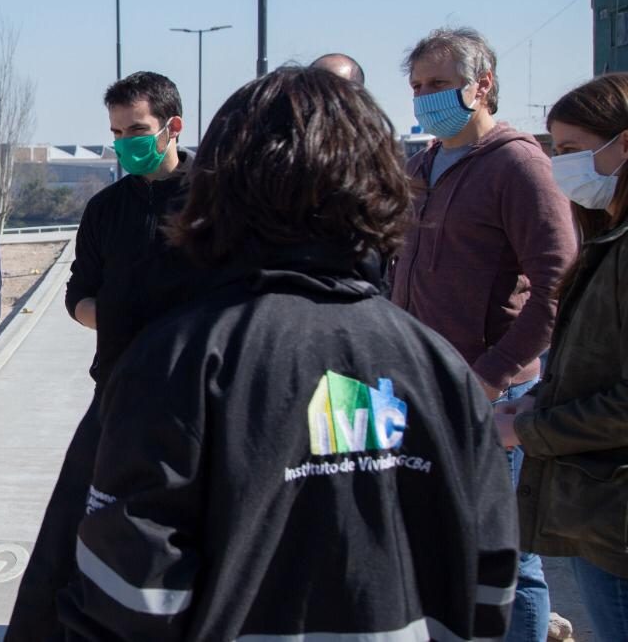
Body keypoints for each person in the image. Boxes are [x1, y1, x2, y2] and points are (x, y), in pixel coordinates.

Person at [57, 66, 519, 640]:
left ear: (225, 186)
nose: (126, 144)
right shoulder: (440, 370)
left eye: (135, 130)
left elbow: (129, 591)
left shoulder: (188, 368)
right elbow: (492, 574)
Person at [390, 27, 576, 642]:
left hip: (489, 395)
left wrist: (491, 374)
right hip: (421, 390)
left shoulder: (517, 163)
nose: (424, 98)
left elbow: (557, 281)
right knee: (431, 543)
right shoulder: (421, 167)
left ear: (482, 84)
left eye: (438, 85)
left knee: (508, 557)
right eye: (417, 87)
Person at [6, 70, 190, 640]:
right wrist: (110, 315)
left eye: (136, 130)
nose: (125, 143)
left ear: (172, 127)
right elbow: (75, 296)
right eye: (116, 133)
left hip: (195, 401)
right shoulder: (106, 209)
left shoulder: (219, 199)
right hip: (117, 392)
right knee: (71, 533)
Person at [495, 74, 628, 642]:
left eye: (572, 150)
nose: (560, 166)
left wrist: (529, 426)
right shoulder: (608, 240)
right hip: (601, 508)